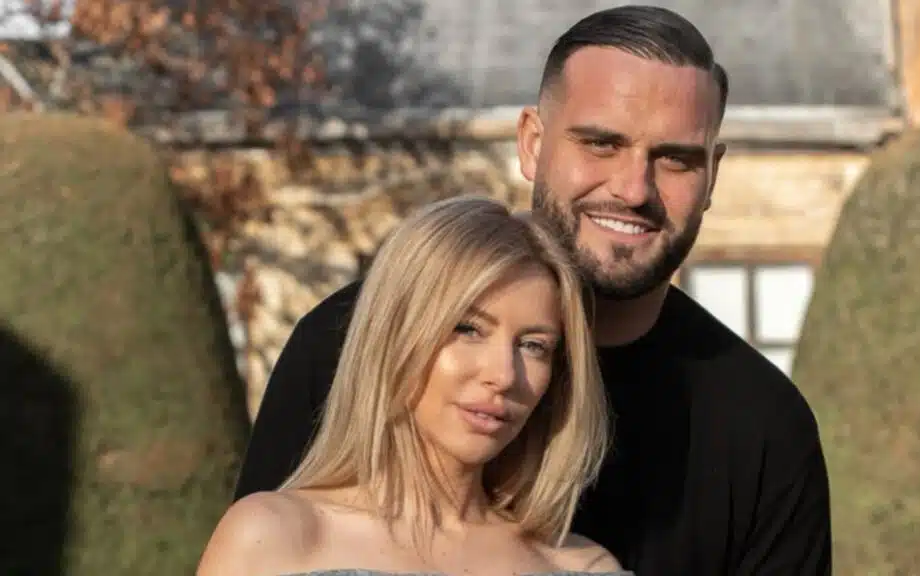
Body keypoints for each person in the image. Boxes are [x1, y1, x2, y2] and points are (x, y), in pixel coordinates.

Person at [233, 5, 833, 575]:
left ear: (712, 176)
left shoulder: (761, 428)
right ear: (532, 143)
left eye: (675, 160)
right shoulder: (348, 343)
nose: (633, 189)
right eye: (601, 143)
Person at [198, 196, 631, 575]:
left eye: (533, 346)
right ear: (395, 334)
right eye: (468, 329)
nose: (503, 375)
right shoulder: (272, 539)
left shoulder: (584, 567)